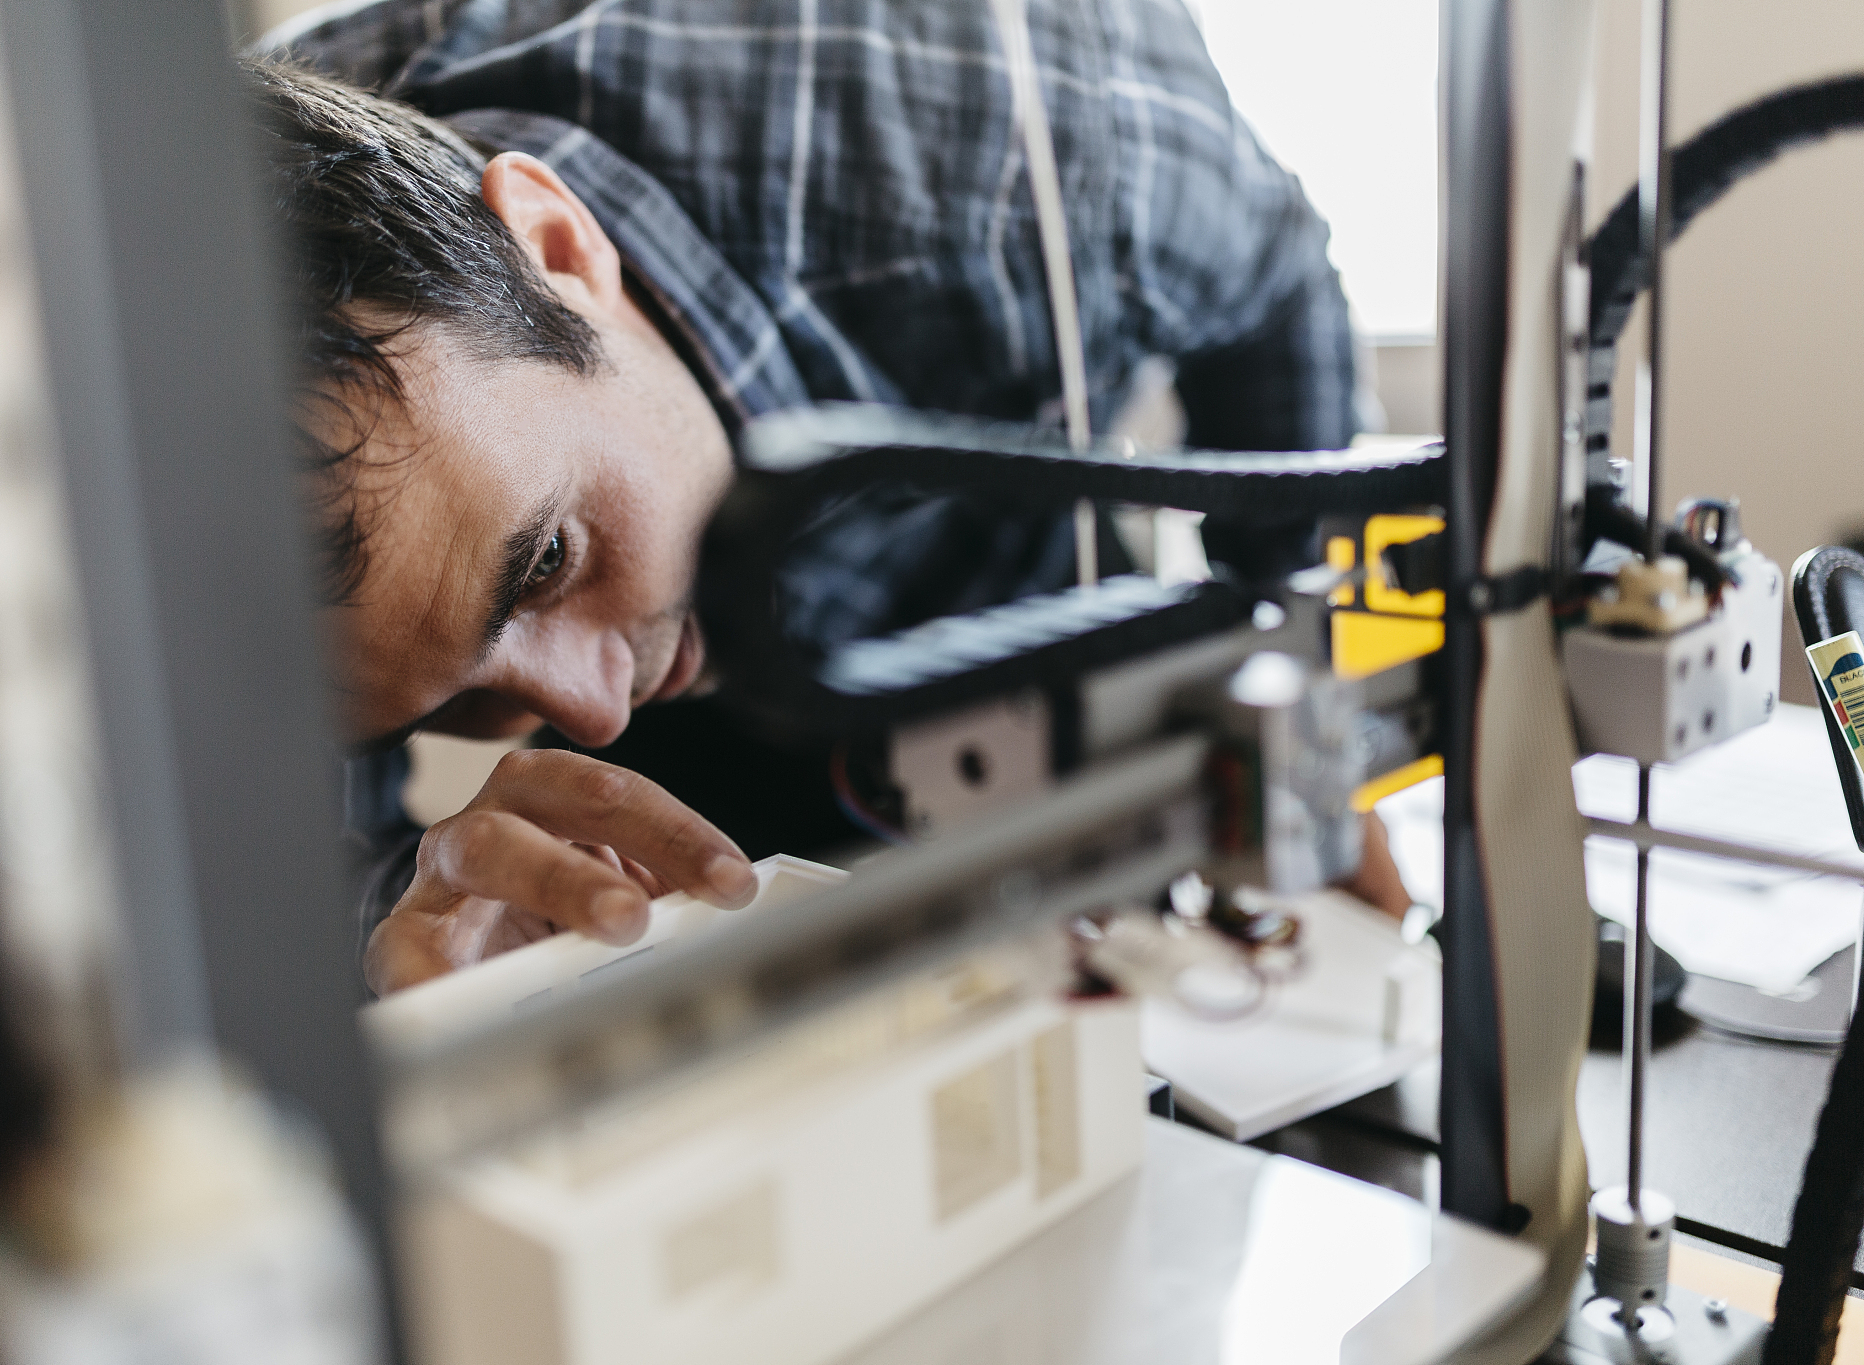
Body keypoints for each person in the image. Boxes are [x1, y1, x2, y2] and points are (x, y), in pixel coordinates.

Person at [244, 0, 1402, 994]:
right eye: (437, 706)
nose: (591, 713)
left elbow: (1272, 282)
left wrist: (1284, 679)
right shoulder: (211, 458)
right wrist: (413, 906)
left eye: (544, 559)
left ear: (556, 243)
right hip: (719, 742)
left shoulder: (1017, 125)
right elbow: (306, 865)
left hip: (997, 576)